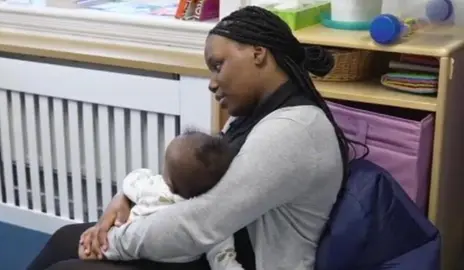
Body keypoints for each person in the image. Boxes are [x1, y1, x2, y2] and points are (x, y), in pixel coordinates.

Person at [27, 5, 351, 270]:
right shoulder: (253, 118)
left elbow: (199, 223)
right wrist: (125, 198)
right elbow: (193, 192)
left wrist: (111, 241)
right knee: (64, 238)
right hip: (209, 251)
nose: (212, 83)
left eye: (218, 65)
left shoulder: (292, 131)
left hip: (231, 260)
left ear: (258, 53)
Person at [80, 130, 243, 270]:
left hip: (134, 249)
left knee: (86, 248)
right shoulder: (214, 217)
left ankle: (91, 250)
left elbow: (132, 181)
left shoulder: (153, 189)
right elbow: (223, 257)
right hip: (181, 263)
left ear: (169, 182)